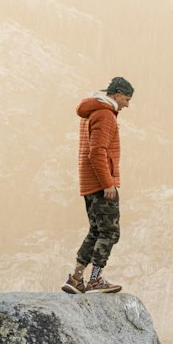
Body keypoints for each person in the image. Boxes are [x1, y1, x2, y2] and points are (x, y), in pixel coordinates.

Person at [62, 77, 134, 296]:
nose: (127, 105)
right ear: (118, 94)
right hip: (101, 184)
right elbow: (97, 152)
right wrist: (108, 183)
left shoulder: (92, 112)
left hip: (89, 183)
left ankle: (76, 278)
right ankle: (95, 280)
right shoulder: (105, 115)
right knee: (110, 232)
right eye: (127, 99)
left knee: (95, 231)